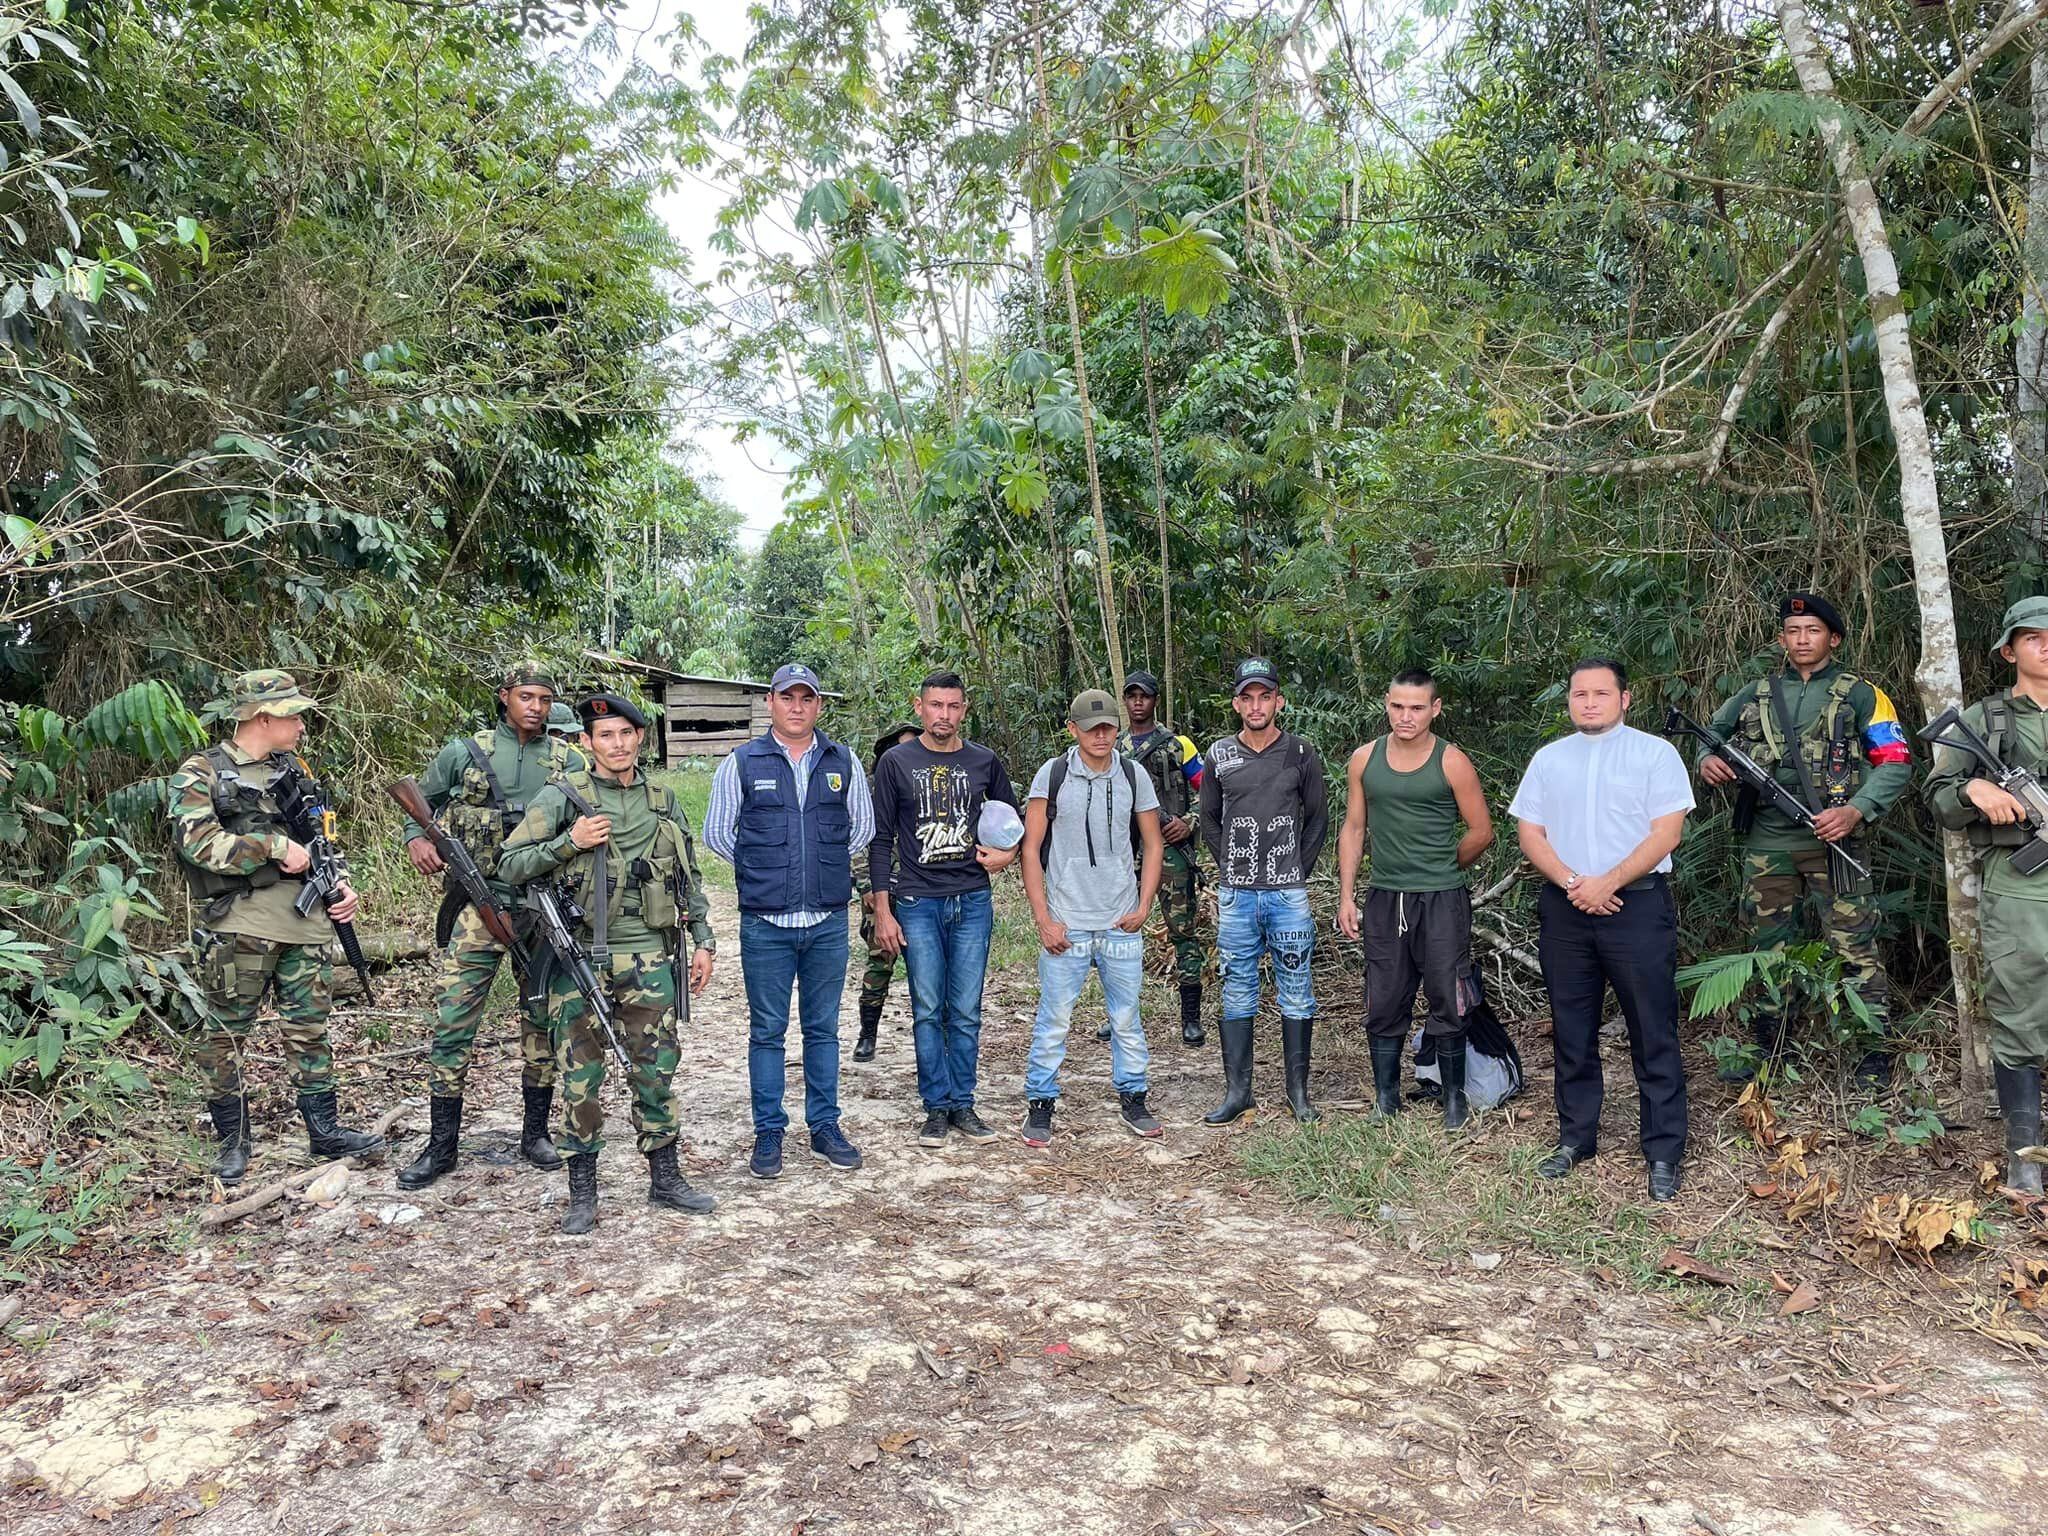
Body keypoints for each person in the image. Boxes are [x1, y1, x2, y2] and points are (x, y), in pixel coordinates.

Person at [497, 692, 717, 1234]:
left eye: (625, 733)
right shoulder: (563, 797)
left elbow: (688, 877)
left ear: (640, 738)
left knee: (656, 1068)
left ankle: (665, 1178)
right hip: (581, 961)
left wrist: (705, 939)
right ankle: (582, 1191)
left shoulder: (663, 799)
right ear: (586, 743)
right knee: (580, 1075)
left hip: (649, 956)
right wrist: (567, 843)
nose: (616, 744)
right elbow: (510, 863)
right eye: (605, 736)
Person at [169, 670, 380, 1184]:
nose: (303, 724)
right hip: (241, 924)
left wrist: (343, 884)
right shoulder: (204, 773)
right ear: (264, 718)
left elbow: (324, 838)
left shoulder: (296, 769)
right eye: (294, 715)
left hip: (306, 925)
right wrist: (272, 847)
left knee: (310, 1031)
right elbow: (196, 845)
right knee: (225, 1034)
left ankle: (324, 1130)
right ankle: (232, 1142)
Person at [1696, 594, 1913, 1086]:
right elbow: (1710, 733)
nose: (1801, 639)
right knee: (1767, 946)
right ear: (1781, 639)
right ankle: (1769, 1043)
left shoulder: (1861, 694)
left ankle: (1871, 1051)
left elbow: (1896, 760)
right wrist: (1706, 761)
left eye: (1812, 630)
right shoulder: (1756, 692)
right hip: (1767, 841)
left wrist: (1856, 810)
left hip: (1835, 841)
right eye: (1792, 630)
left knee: (1853, 945)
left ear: (1832, 638)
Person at [394, 662, 588, 1191]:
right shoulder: (466, 752)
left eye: (545, 699)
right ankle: (442, 1144)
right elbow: (419, 806)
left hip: (542, 908)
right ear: (505, 697)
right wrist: (416, 839)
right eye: (527, 696)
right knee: (453, 1020)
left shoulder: (568, 758)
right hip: (475, 909)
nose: (536, 707)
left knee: (542, 1018)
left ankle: (535, 1133)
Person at [1510, 658, 1695, 1201]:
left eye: (1600, 693)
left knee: (1652, 1031)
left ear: (1624, 698)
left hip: (1636, 908)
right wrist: (1575, 882)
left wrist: (1607, 881)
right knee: (1572, 1028)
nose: (1589, 702)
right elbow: (1530, 832)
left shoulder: (1654, 754)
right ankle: (1576, 1138)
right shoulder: (1549, 759)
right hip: (1566, 908)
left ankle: (1663, 1151)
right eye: (1579, 694)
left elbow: (1667, 834)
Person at [703, 663, 872, 1180]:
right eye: (787, 697)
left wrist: (815, 870)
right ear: (770, 702)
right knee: (768, 1031)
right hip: (766, 924)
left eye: (807, 698)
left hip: (825, 920)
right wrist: (764, 868)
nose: (797, 706)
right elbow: (716, 833)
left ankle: (824, 1127)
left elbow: (861, 830)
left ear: (818, 705)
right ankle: (769, 1132)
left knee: (823, 1030)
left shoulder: (844, 761)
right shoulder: (742, 762)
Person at [1925, 595, 2048, 1194]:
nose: (2046, 645)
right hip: (2021, 885)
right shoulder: (1988, 719)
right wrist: (1975, 787)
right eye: (2033, 637)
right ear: (2010, 650)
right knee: (2019, 1008)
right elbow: (1940, 798)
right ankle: (2027, 1151)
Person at [1336, 669, 1495, 1127]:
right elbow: (1354, 828)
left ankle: (1453, 1100)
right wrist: (1348, 896)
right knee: (1384, 997)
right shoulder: (1365, 759)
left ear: (1435, 709)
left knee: (1448, 994)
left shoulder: (1451, 761)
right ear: (1386, 704)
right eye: (1398, 706)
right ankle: (1387, 1098)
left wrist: (1443, 867)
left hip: (1442, 898)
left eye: (1417, 708)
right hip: (1386, 898)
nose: (1406, 717)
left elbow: (1481, 831)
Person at [869, 670, 1019, 1148]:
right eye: (936, 705)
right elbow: (880, 839)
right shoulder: (896, 762)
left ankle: (964, 1103)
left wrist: (1007, 856)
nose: (944, 715)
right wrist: (883, 909)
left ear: (964, 710)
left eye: (953, 707)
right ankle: (936, 1107)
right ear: (920, 707)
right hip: (917, 900)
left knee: (967, 1009)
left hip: (972, 898)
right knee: (928, 1007)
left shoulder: (984, 761)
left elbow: (1012, 823)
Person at [1018, 689, 1165, 1144]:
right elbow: (1030, 847)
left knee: (1126, 1018)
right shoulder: (1054, 775)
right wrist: (1044, 918)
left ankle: (1134, 1097)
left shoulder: (1133, 775)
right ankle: (1040, 1103)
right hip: (1069, 920)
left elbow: (1154, 842)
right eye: (1092, 728)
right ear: (1073, 730)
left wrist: (1142, 906)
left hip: (1119, 920)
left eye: (1108, 728)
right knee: (1055, 1017)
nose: (1101, 736)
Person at [1198, 657, 1330, 1125]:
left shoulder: (1300, 754)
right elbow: (1210, 820)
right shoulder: (1220, 755)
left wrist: (1297, 869)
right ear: (1237, 704)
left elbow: (1316, 819)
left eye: (1265, 696)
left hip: (1286, 894)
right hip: (1236, 894)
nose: (1257, 705)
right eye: (1247, 697)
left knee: (1296, 988)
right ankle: (1239, 1092)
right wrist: (1229, 864)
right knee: (1237, 987)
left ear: (1279, 701)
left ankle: (1299, 1094)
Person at [1119, 670, 1208, 1047]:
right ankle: (1120, 1014)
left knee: (1183, 933)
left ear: (1156, 700)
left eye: (1145, 696)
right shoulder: (1113, 747)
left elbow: (1210, 790)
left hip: (1172, 851)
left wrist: (1189, 822)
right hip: (1126, 852)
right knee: (1120, 934)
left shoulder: (1178, 745)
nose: (1138, 702)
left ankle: (1191, 1018)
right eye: (1132, 696)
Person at [851, 721, 922, 1062]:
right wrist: (866, 884)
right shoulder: (866, 791)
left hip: (921, 888)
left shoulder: (924, 786)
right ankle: (868, 1033)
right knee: (880, 963)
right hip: (881, 889)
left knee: (928, 970)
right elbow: (854, 840)